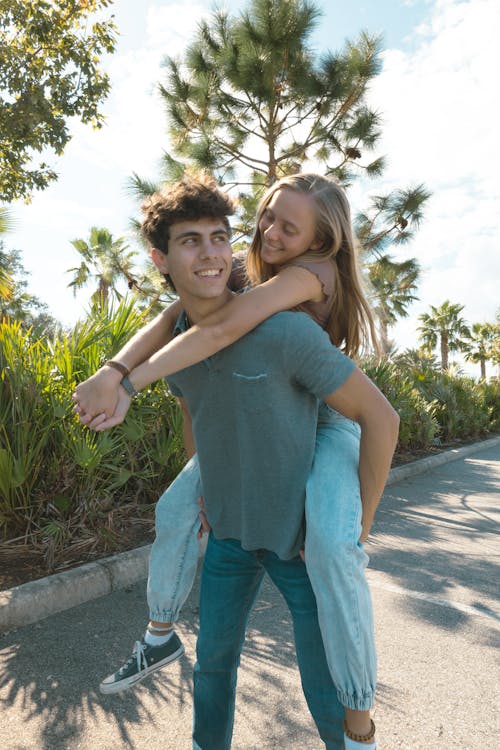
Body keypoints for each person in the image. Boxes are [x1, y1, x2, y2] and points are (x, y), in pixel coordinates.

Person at [75, 173, 399, 749]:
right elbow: (184, 334)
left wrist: (128, 384)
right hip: (232, 528)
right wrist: (114, 369)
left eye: (287, 227)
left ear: (321, 240)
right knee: (177, 511)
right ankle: (159, 633)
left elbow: (223, 326)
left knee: (331, 544)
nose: (268, 233)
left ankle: (357, 731)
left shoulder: (303, 287)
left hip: (326, 423)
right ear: (163, 257)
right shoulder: (235, 285)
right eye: (265, 218)